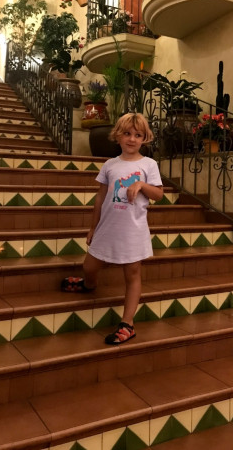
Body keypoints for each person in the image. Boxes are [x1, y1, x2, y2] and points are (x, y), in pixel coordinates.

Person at [62, 113, 163, 345]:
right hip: (107, 228)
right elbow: (100, 198)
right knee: (89, 266)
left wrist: (141, 184)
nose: (132, 139)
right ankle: (88, 284)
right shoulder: (110, 165)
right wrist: (93, 228)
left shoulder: (149, 164)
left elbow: (158, 194)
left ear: (145, 138)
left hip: (133, 231)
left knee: (133, 274)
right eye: (127, 133)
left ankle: (128, 324)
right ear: (117, 136)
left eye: (138, 135)